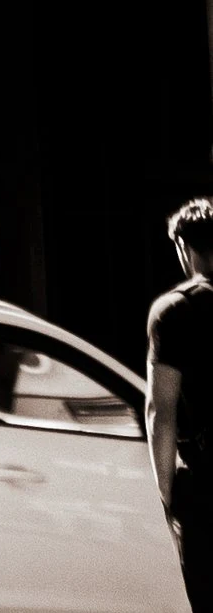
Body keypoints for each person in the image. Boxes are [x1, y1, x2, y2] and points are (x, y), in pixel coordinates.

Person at [150, 200, 213, 610]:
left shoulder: (174, 311)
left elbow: (161, 412)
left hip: (205, 487)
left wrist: (168, 496)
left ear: (183, 248)